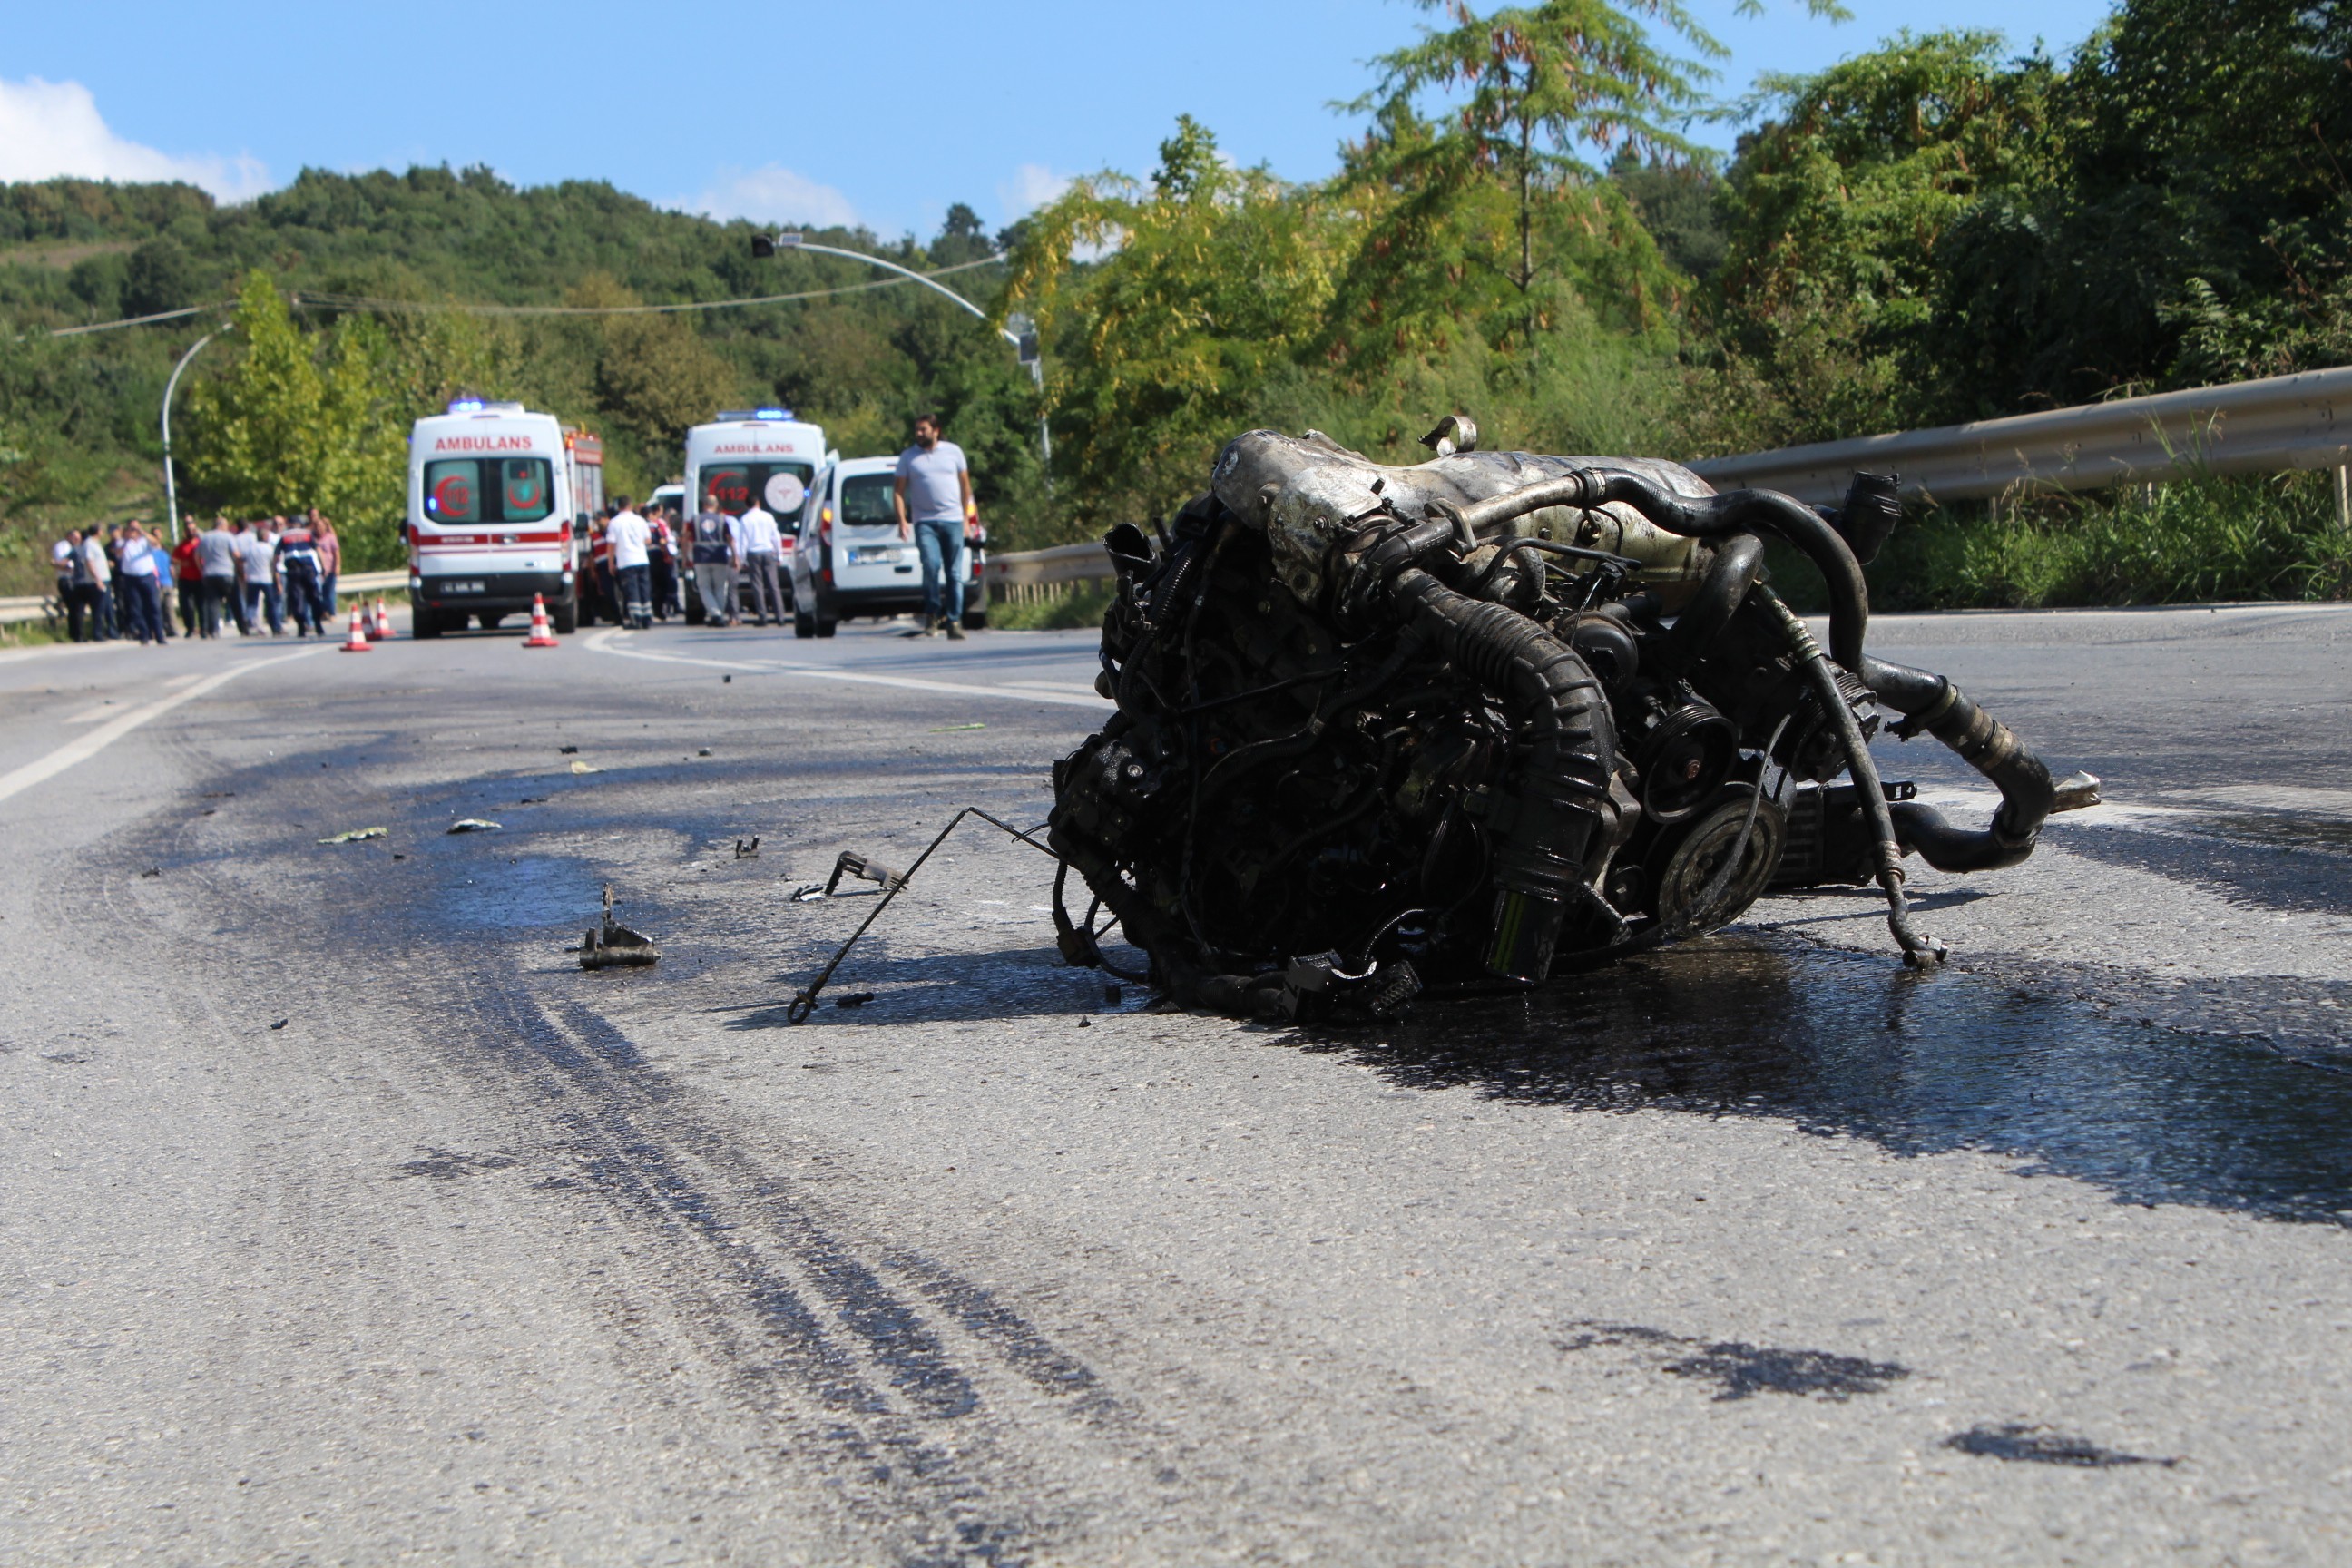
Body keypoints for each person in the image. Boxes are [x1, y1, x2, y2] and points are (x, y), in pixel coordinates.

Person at [893, 410, 975, 641]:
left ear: (936, 430)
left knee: (955, 573)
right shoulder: (909, 457)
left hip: (953, 519)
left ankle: (954, 620)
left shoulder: (954, 452)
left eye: (923, 430)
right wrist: (902, 520)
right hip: (924, 522)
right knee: (930, 566)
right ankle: (931, 614)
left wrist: (967, 518)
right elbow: (898, 491)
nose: (919, 434)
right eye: (917, 430)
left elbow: (965, 486)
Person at [688, 490, 738, 627]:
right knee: (720, 588)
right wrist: (735, 556)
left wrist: (687, 556)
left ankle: (715, 614)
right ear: (715, 505)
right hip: (719, 557)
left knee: (704, 587)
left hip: (701, 558)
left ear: (704, 505)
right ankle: (718, 615)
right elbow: (730, 539)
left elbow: (687, 538)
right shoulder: (722, 519)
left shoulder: (696, 519)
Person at [275, 510, 328, 635]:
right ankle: (318, 625)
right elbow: (318, 550)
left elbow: (276, 557)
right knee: (314, 597)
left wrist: (275, 574)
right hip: (309, 570)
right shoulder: (307, 534)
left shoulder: (284, 536)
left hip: (293, 572)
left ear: (290, 524)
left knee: (297, 599)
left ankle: (301, 627)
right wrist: (323, 566)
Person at [736, 494, 786, 628]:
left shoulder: (745, 519)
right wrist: (779, 554)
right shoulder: (768, 517)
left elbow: (743, 541)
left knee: (757, 586)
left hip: (753, 553)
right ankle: (780, 617)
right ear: (758, 503)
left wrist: (741, 560)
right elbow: (776, 536)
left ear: (747, 505)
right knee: (773, 585)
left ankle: (762, 617)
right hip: (768, 551)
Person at [115, 521, 169, 644]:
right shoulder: (123, 542)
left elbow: (157, 543)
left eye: (135, 528)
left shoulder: (145, 541)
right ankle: (144, 635)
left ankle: (159, 635)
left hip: (147, 576)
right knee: (136, 607)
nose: (134, 531)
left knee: (154, 606)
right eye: (131, 529)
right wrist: (127, 539)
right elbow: (118, 553)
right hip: (130, 578)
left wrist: (143, 533)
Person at [196, 514, 240, 637]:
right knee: (234, 600)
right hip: (227, 572)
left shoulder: (205, 537)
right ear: (222, 526)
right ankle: (243, 628)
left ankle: (213, 630)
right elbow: (235, 554)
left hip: (209, 573)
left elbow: (197, 555)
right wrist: (239, 566)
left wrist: (201, 569)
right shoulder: (228, 536)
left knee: (212, 603)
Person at [238, 516, 282, 635]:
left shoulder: (250, 548)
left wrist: (243, 573)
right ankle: (275, 627)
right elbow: (274, 565)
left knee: (252, 604)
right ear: (264, 537)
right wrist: (277, 581)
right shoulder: (269, 549)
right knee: (270, 603)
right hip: (266, 579)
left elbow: (240, 560)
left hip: (252, 579)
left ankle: (248, 626)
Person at [80, 526, 113, 641]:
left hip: (104, 578)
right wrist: (97, 579)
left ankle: (108, 631)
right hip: (97, 580)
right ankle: (97, 633)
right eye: (102, 529)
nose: (103, 532)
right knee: (98, 608)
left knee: (106, 607)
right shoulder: (89, 544)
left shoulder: (96, 543)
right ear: (98, 531)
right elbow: (89, 562)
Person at [172, 524, 204, 638]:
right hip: (185, 578)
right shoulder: (181, 545)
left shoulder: (200, 543)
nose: (191, 532)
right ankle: (190, 628)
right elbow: (174, 559)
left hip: (199, 578)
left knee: (201, 605)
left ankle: (203, 628)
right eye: (188, 530)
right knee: (187, 606)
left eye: (193, 530)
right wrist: (180, 563)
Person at [647, 505, 679, 621]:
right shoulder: (657, 525)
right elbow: (663, 539)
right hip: (659, 556)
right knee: (661, 584)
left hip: (656, 556)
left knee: (658, 585)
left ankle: (660, 609)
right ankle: (660, 609)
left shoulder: (655, 524)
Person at [312, 509, 340, 618]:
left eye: (321, 526)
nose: (319, 528)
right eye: (317, 526)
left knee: (329, 592)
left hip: (330, 568)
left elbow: (336, 553)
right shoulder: (312, 538)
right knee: (319, 593)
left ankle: (331, 612)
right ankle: (322, 612)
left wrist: (337, 566)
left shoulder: (330, 537)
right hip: (316, 569)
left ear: (325, 527)